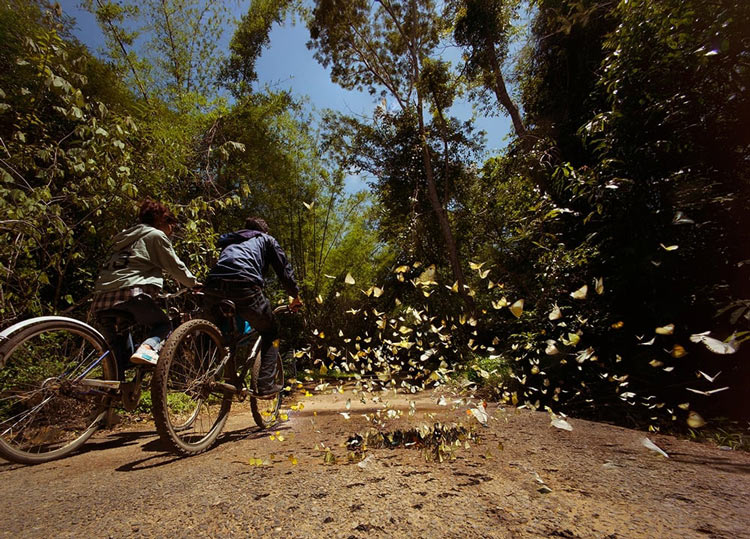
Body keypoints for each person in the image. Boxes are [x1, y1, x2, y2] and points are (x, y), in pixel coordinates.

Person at [91, 199, 199, 373]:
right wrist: (194, 283)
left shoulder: (123, 240)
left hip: (101, 299)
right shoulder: (155, 235)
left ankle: (111, 394)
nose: (171, 231)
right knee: (164, 326)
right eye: (171, 225)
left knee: (117, 360)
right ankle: (148, 349)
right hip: (130, 293)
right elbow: (175, 266)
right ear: (161, 221)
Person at [204, 216, 302, 398]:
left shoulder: (230, 242)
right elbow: (284, 271)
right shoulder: (266, 239)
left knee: (222, 333)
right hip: (245, 286)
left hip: (212, 286)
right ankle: (265, 384)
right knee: (272, 333)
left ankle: (205, 373)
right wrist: (294, 296)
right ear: (264, 231)